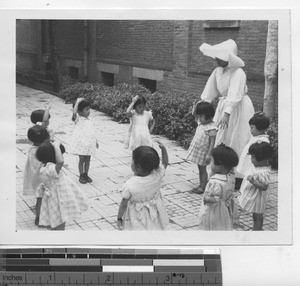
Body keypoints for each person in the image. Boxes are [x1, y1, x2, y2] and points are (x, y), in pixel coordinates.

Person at [199, 39, 255, 158]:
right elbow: (210, 89)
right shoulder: (217, 71)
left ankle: (237, 165)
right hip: (224, 105)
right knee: (222, 134)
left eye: (221, 57)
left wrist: (226, 114)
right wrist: (202, 104)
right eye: (216, 57)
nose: (216, 60)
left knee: (237, 135)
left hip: (238, 107)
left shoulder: (238, 72)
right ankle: (222, 162)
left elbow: (235, 95)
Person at [35, 140, 89, 230]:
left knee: (54, 222)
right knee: (58, 225)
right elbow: (60, 161)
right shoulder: (51, 169)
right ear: (53, 157)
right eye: (60, 154)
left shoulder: (46, 167)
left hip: (55, 199)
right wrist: (56, 146)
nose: (61, 156)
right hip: (58, 201)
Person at [117, 142, 169, 230]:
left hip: (136, 216)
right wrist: (164, 150)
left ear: (138, 167)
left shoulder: (130, 185)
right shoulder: (157, 175)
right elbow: (165, 163)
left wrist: (119, 218)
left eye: (132, 160)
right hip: (154, 212)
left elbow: (123, 204)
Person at [199, 144, 239, 230]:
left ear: (219, 164)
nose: (210, 164)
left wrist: (206, 198)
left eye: (212, 162)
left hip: (215, 210)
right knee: (224, 224)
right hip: (225, 208)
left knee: (214, 227)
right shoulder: (230, 176)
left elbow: (215, 199)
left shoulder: (215, 181)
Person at [238, 142, 273, 231]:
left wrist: (253, 181)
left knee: (258, 216)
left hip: (258, 198)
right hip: (254, 196)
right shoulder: (257, 165)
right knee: (256, 214)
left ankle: (257, 230)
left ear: (262, 159)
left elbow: (264, 187)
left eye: (253, 157)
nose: (251, 159)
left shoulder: (264, 172)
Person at [186, 101, 217, 194]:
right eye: (199, 116)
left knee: (203, 170)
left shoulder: (211, 127)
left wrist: (209, 154)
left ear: (208, 116)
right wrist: (197, 106)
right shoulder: (201, 122)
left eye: (201, 116)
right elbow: (195, 114)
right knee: (200, 169)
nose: (198, 118)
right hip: (198, 151)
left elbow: (212, 142)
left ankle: (202, 187)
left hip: (204, 152)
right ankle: (201, 185)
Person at [23, 125, 50, 225]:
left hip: (36, 180)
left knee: (40, 199)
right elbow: (43, 164)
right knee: (42, 199)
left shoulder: (32, 149)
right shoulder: (40, 151)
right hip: (42, 180)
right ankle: (40, 217)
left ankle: (38, 218)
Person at [235, 112, 270, 189]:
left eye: (252, 128)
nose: (250, 130)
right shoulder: (257, 136)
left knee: (251, 178)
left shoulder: (262, 140)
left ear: (260, 127)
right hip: (251, 160)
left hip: (254, 164)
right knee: (247, 176)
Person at [69, 97, 99, 184]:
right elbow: (74, 113)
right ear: (79, 111)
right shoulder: (78, 119)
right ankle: (81, 175)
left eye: (89, 109)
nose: (89, 111)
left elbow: (93, 132)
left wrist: (96, 142)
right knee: (82, 159)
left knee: (88, 159)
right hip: (81, 143)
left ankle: (86, 174)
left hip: (89, 143)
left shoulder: (90, 120)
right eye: (86, 109)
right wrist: (77, 102)